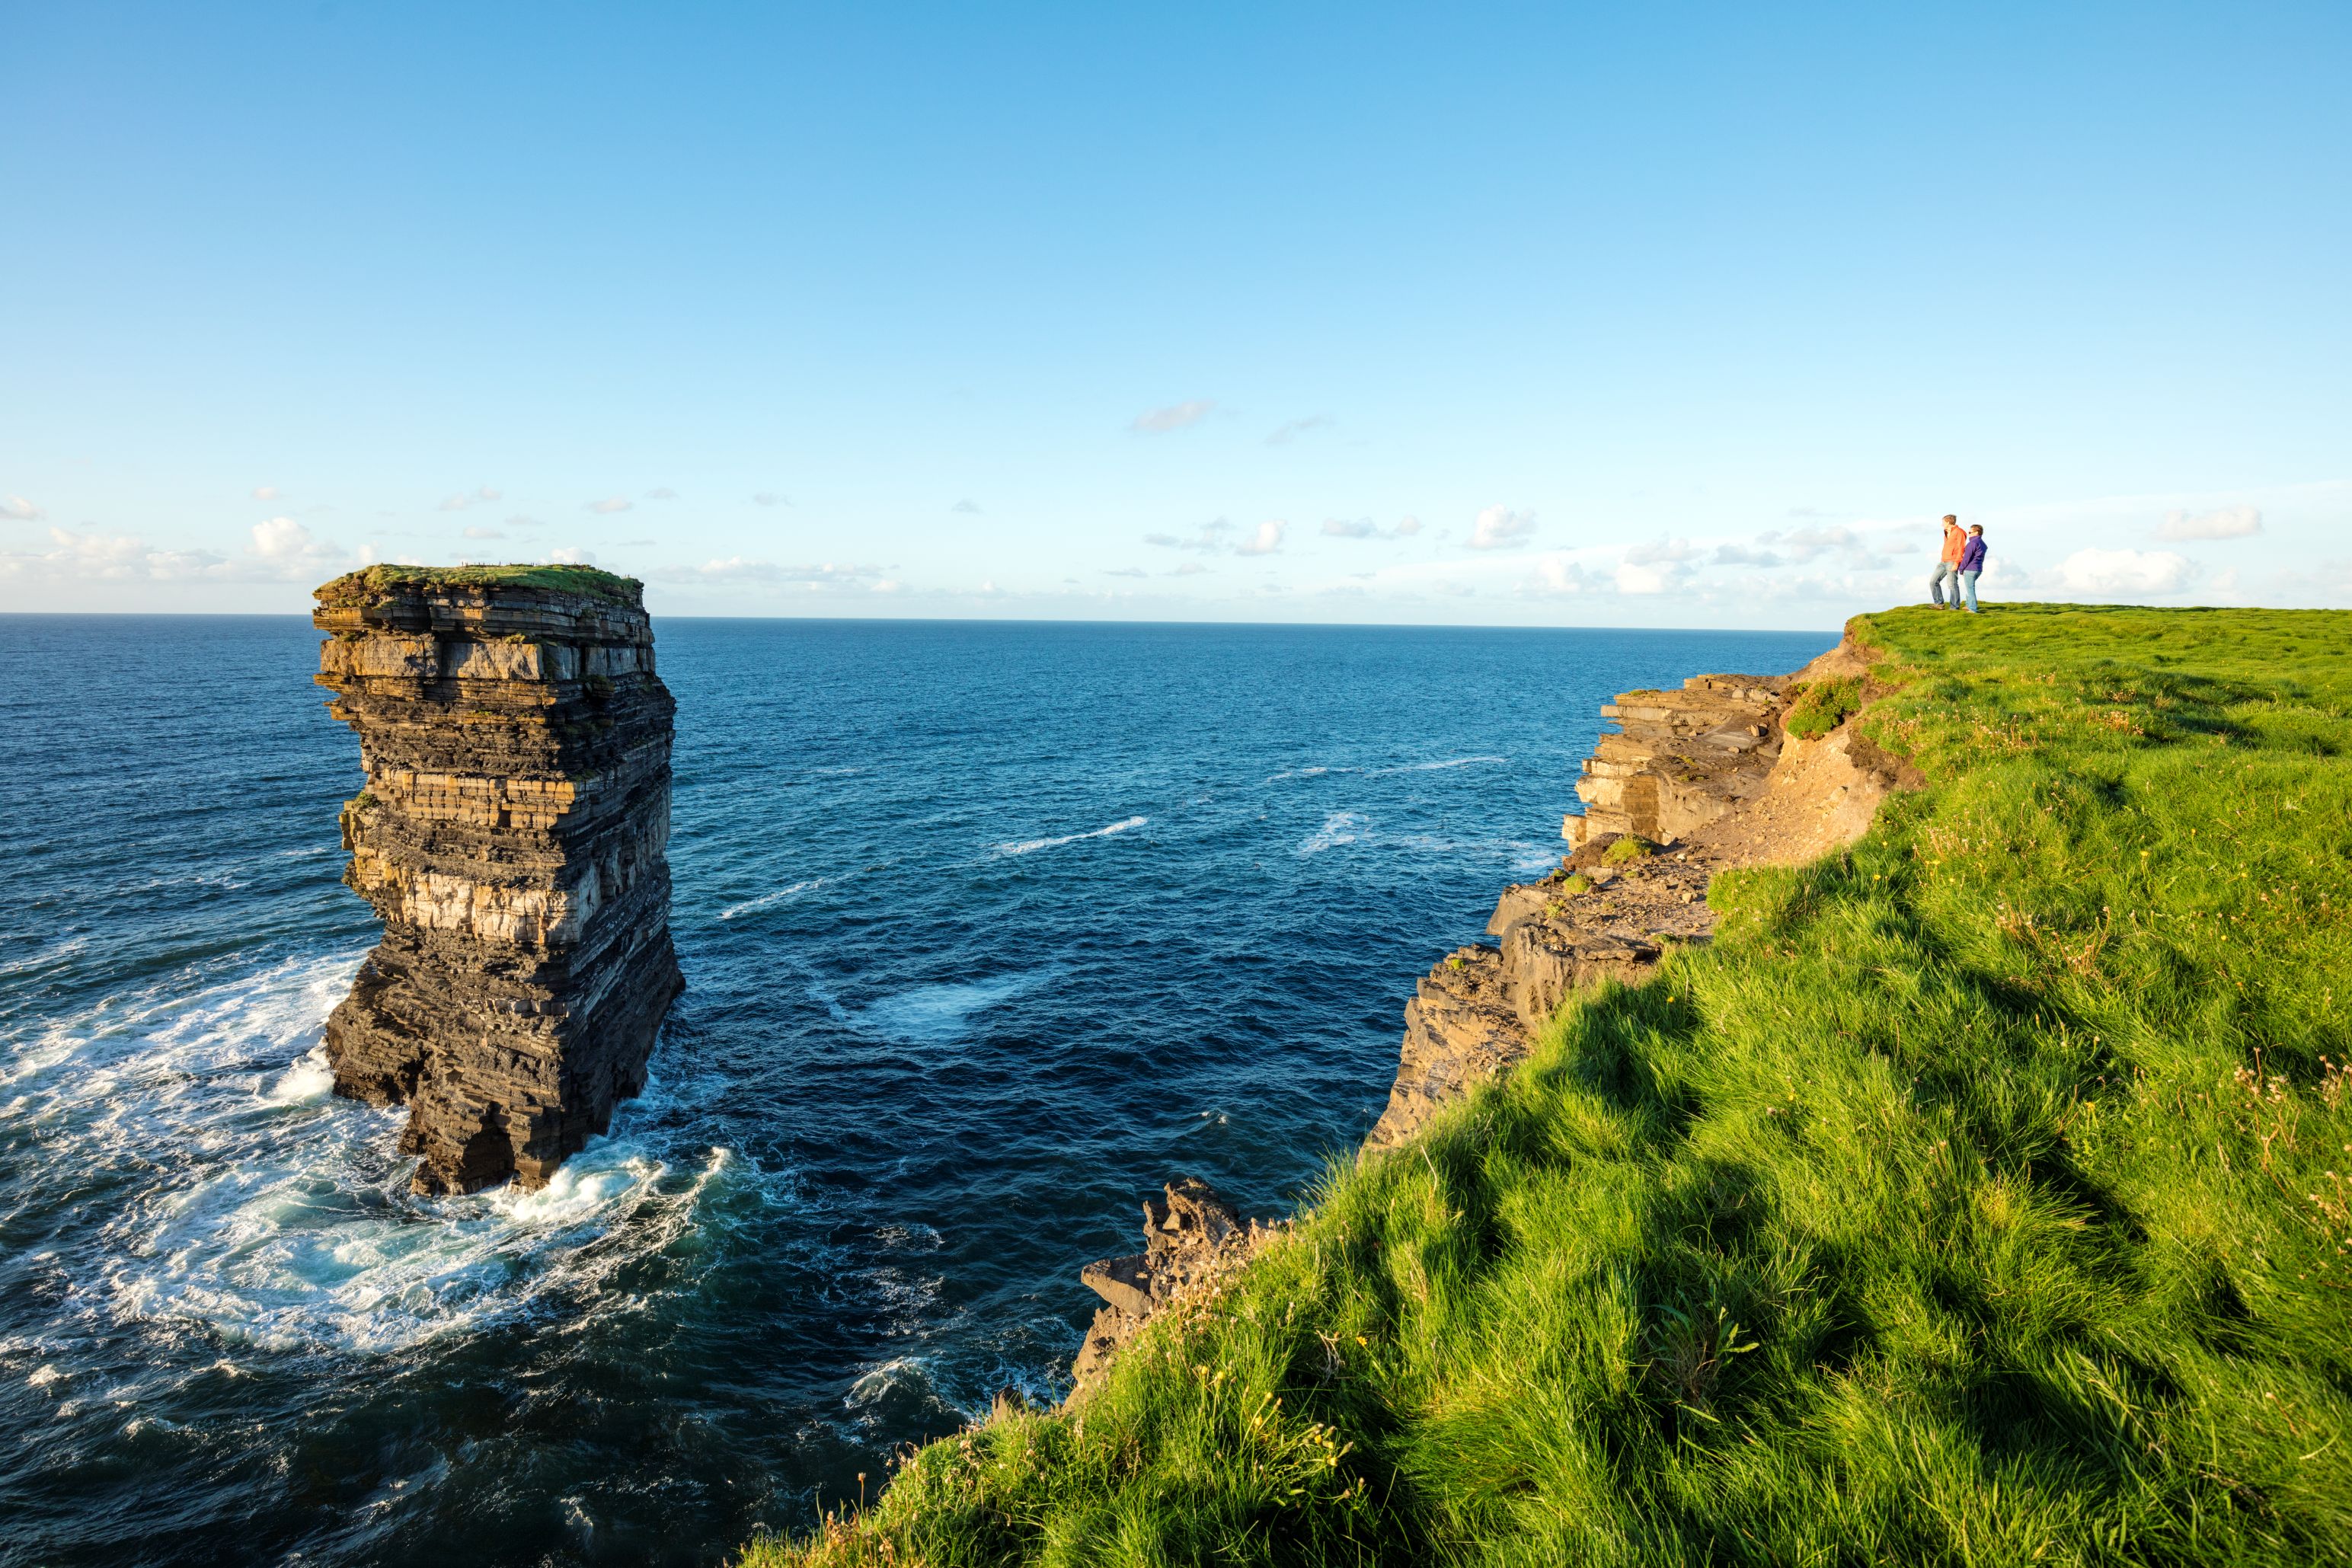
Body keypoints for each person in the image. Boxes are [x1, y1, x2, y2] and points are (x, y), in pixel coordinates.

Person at [1929, 514, 1966, 608]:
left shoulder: (1959, 532)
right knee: (1933, 582)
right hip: (1943, 561)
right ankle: (1939, 603)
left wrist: (1957, 563)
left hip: (1952, 562)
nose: (1942, 525)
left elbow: (1962, 548)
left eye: (1943, 523)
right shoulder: (1946, 532)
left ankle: (1954, 607)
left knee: (1952, 584)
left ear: (1948, 522)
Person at [1956, 524, 1987, 612]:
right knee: (1969, 587)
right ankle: (1969, 605)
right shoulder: (1983, 544)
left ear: (1977, 532)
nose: (1968, 533)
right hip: (1978, 569)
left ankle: (1973, 608)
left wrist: (1961, 569)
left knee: (1970, 589)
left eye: (1970, 532)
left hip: (1970, 569)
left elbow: (1966, 558)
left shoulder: (1972, 543)